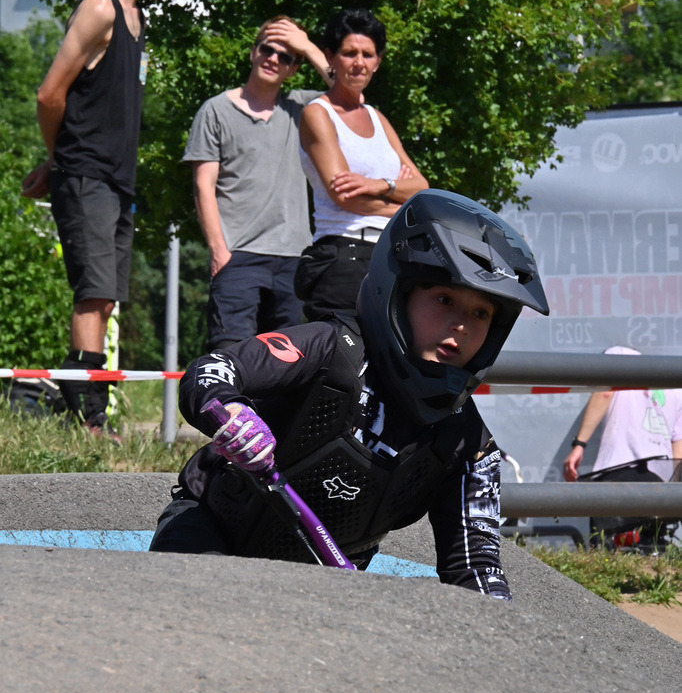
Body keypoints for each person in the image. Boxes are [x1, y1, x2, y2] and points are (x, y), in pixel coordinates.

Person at [149, 189, 550, 601]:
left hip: (326, 586)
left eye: (481, 313)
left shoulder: (468, 443)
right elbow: (214, 368)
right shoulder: (331, 349)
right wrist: (230, 410)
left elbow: (475, 568)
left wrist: (501, 625)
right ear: (398, 291)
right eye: (444, 299)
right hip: (210, 532)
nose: (461, 325)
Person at [20, 0, 194, 437]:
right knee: (93, 293)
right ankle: (87, 416)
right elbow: (50, 94)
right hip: (85, 173)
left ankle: (85, 409)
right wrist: (58, 159)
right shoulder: (100, 7)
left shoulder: (136, 17)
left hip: (116, 178)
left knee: (107, 296)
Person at [185, 16, 331, 351]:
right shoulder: (215, 110)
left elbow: (350, 93)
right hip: (237, 257)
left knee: (285, 367)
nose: (273, 59)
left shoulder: (304, 109)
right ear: (253, 52)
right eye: (267, 49)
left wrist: (308, 46)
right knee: (230, 358)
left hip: (293, 258)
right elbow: (203, 187)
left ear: (294, 68)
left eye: (286, 56)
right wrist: (219, 252)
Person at [296, 8, 428, 322]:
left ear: (378, 61)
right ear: (330, 57)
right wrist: (402, 206)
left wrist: (377, 185)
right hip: (344, 254)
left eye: (368, 54)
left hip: (394, 257)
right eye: (349, 53)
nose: (359, 63)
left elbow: (421, 188)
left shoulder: (377, 118)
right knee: (342, 351)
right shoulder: (318, 113)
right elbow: (345, 196)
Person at [562, 345, 682, 548]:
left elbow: (604, 393)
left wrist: (579, 444)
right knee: (650, 549)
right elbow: (678, 446)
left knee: (608, 550)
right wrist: (673, 495)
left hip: (618, 473)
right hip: (659, 483)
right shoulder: (674, 384)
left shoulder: (620, 356)